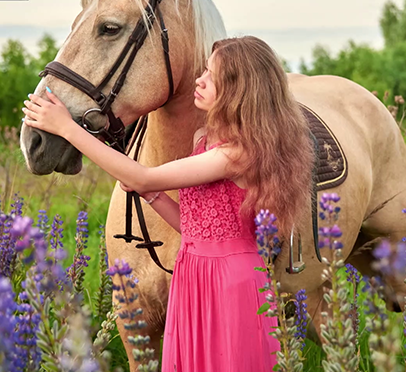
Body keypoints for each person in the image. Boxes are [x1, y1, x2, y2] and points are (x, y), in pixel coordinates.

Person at [21, 35, 315, 372]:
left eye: (211, 77)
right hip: (193, 272)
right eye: (203, 71)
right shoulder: (205, 141)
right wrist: (152, 196)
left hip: (230, 281)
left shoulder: (238, 153)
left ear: (237, 90)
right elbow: (196, 226)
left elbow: (144, 176)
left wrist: (69, 129)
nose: (199, 81)